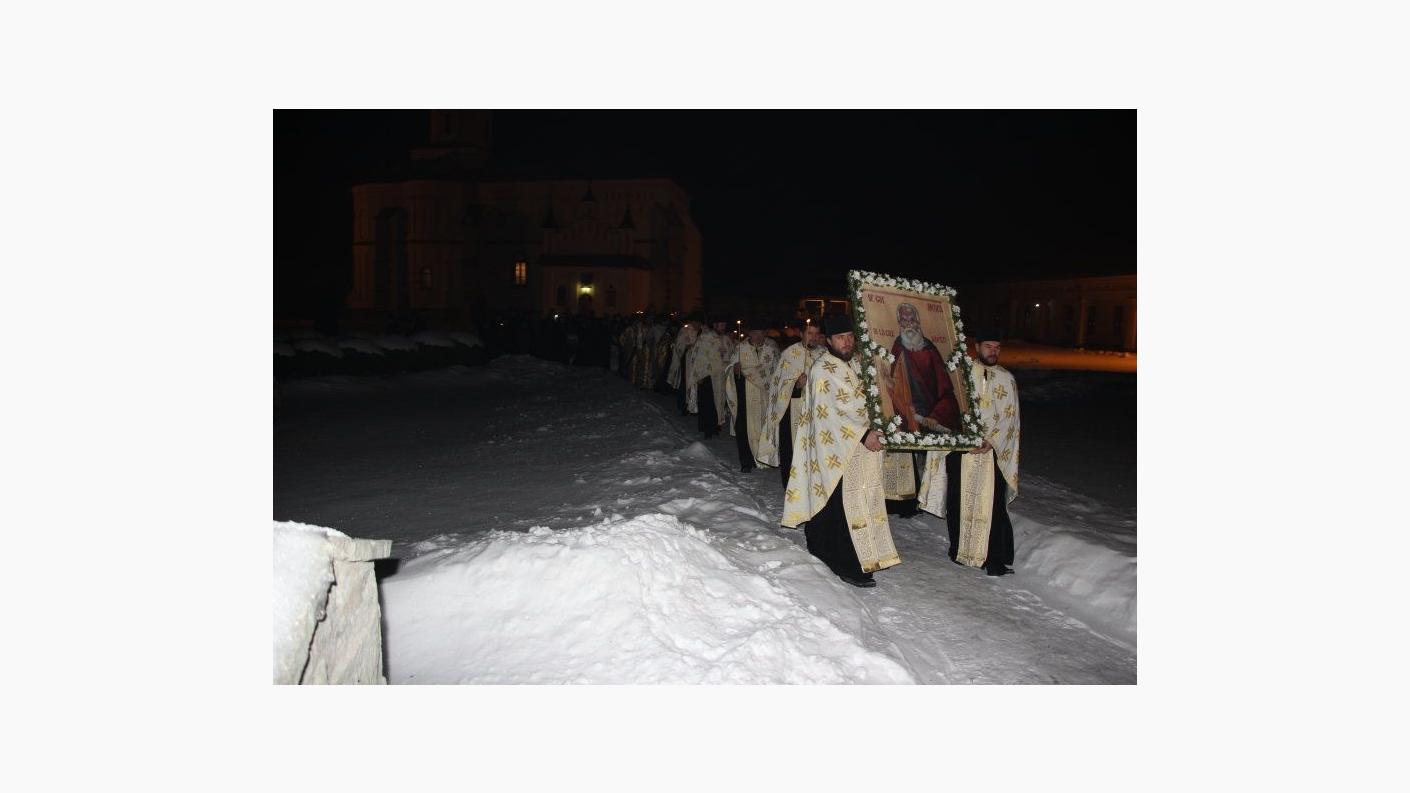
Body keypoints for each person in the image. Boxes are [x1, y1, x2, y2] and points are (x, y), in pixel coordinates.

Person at [781, 314, 901, 588]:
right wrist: (863, 434)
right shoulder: (823, 370)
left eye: (849, 337)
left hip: (861, 448)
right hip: (834, 449)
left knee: (857, 501)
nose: (846, 342)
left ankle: (842, 551)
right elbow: (831, 414)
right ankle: (847, 563)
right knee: (840, 505)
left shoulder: (857, 363)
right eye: (840, 338)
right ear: (829, 341)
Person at [918, 327, 1021, 576]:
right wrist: (964, 437)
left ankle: (994, 558)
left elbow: (1011, 419)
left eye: (997, 347)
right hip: (961, 449)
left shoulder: (1007, 379)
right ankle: (960, 550)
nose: (993, 351)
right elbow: (947, 408)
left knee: (992, 505)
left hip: (992, 452)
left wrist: (990, 441)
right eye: (988, 346)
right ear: (977, 347)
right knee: (958, 500)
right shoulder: (960, 374)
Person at [757, 321, 824, 487]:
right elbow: (778, 384)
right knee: (791, 448)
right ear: (802, 334)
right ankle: (790, 486)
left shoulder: (824, 354)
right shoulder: (790, 354)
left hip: (818, 411)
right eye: (810, 333)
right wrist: (796, 385)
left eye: (816, 333)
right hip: (792, 409)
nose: (814, 337)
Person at [888, 302, 961, 433]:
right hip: (911, 418)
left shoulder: (930, 349)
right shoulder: (898, 348)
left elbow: (945, 390)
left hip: (934, 418)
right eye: (904, 320)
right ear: (899, 323)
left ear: (918, 322)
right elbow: (897, 389)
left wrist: (936, 416)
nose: (909, 324)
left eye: (912, 320)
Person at [725, 319, 780, 472]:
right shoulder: (741, 348)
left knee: (765, 427)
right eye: (755, 333)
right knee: (744, 428)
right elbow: (729, 369)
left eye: (761, 333)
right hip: (745, 395)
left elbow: (777, 371)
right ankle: (746, 462)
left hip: (765, 397)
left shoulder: (771, 349)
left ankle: (764, 458)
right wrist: (734, 370)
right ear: (749, 333)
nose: (758, 336)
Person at [687, 317, 734, 439]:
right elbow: (698, 356)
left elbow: (731, 355)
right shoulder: (705, 338)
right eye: (721, 325)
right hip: (707, 376)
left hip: (722, 377)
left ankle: (716, 426)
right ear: (715, 325)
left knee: (719, 402)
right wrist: (699, 375)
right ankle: (707, 428)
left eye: (724, 325)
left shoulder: (727, 339)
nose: (723, 328)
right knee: (708, 403)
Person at [668, 317, 700, 415]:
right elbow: (678, 345)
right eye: (695, 322)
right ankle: (684, 406)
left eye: (699, 322)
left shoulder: (704, 331)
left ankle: (694, 406)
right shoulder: (685, 330)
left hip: (699, 362)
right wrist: (687, 347)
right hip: (687, 360)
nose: (697, 324)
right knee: (685, 382)